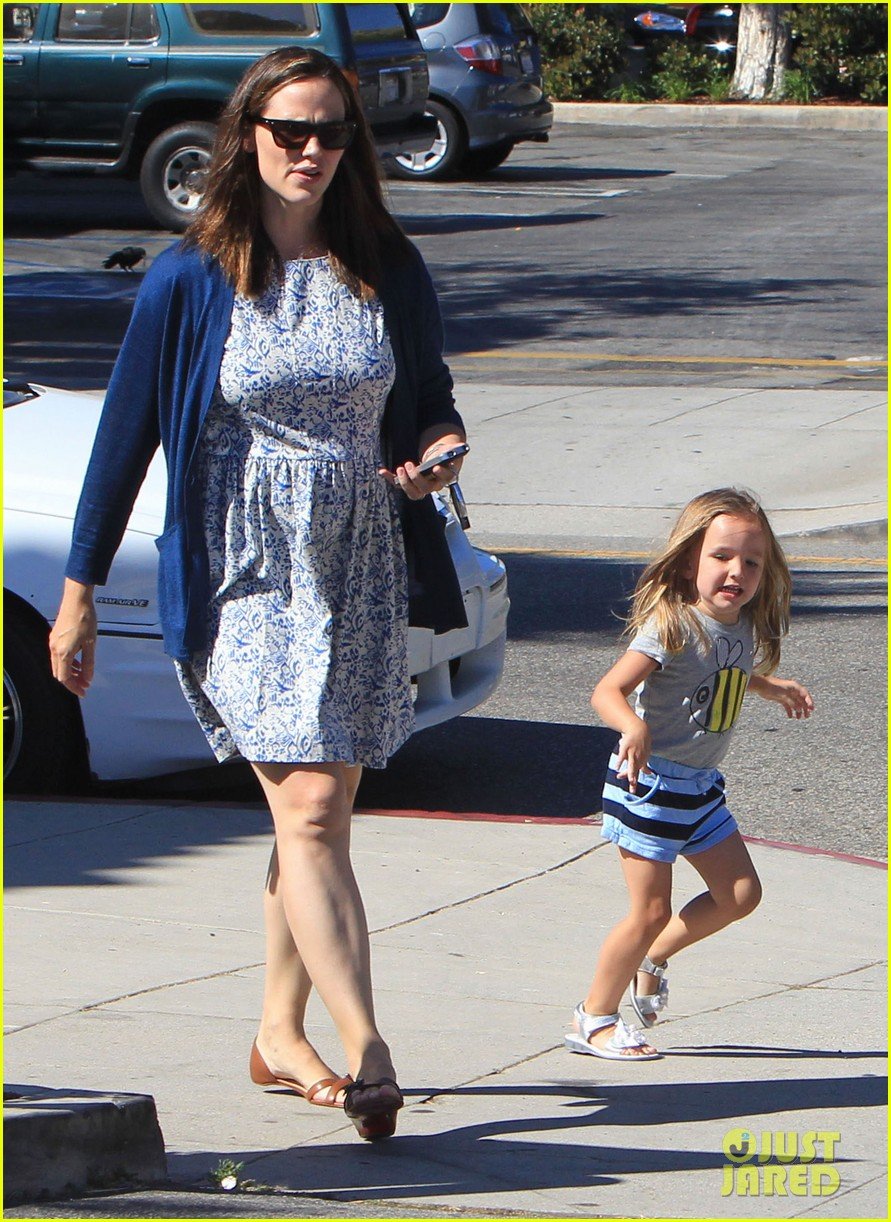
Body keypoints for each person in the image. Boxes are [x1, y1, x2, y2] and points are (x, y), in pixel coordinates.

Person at [49, 47, 469, 1141]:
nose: (311, 151)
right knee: (316, 812)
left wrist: (439, 448)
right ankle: (370, 1047)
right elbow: (123, 437)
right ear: (248, 137)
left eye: (331, 132)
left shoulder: (382, 261)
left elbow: (426, 400)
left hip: (359, 559)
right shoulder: (194, 275)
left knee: (310, 820)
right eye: (290, 131)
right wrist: (79, 588)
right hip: (244, 567)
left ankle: (279, 1033)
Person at [566, 488, 814, 1061]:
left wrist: (769, 685)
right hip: (649, 785)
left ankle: (653, 958)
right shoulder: (672, 625)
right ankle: (594, 1016)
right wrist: (630, 725)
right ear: (688, 562)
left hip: (700, 788)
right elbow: (608, 690)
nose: (737, 572)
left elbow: (728, 671)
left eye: (752, 562)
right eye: (722, 556)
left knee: (739, 894)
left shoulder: (742, 626)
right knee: (648, 909)